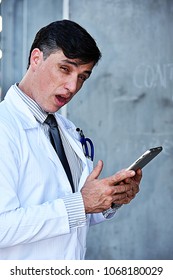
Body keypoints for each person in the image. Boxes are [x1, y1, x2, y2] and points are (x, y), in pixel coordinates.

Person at [0, 20, 142, 260]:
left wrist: (109, 198)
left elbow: (77, 210)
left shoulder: (64, 129)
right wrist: (81, 203)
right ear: (36, 59)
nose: (72, 86)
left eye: (83, 77)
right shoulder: (5, 127)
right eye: (65, 69)